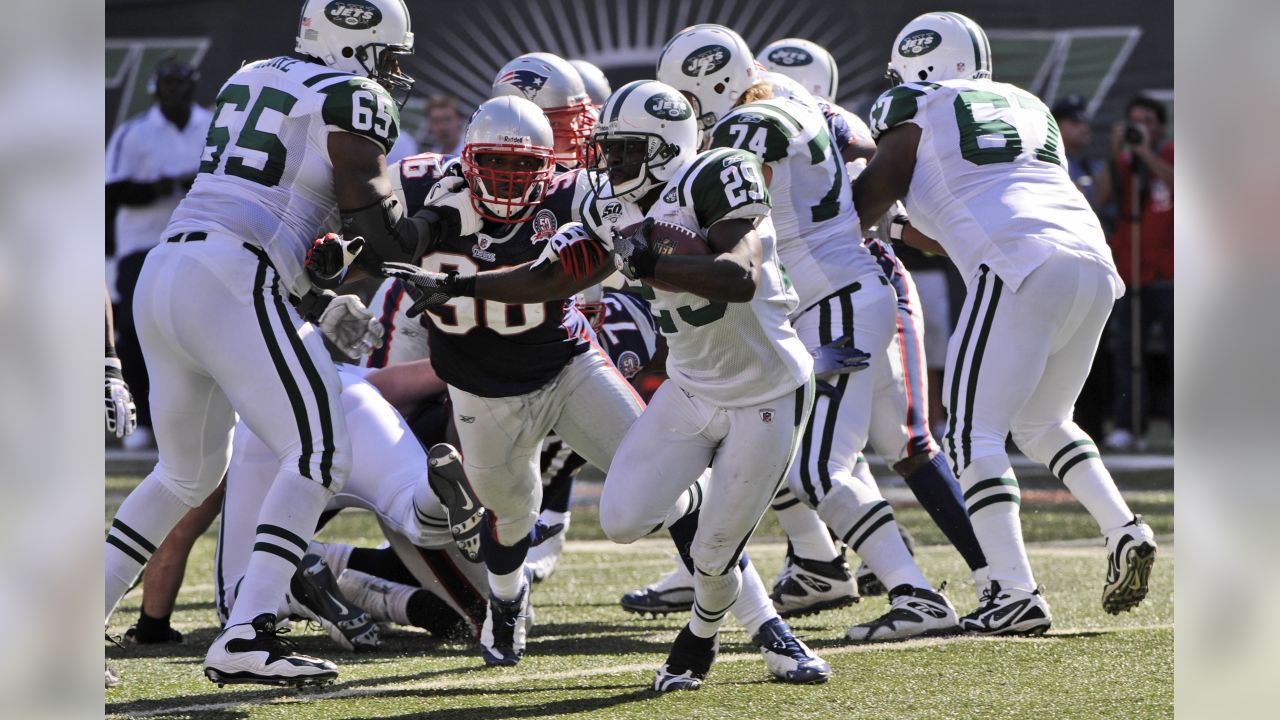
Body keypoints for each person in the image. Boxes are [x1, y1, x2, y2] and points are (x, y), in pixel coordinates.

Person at [380, 88, 832, 686]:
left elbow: (735, 277)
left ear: (663, 147)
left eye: (622, 152)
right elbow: (547, 274)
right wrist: (458, 286)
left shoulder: (708, 174)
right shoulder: (590, 203)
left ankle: (759, 626)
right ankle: (508, 598)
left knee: (706, 532)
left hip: (599, 369)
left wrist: (644, 267)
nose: (606, 164)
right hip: (502, 390)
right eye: (606, 151)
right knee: (544, 512)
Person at [103, 0, 414, 687]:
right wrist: (429, 236)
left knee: (185, 474)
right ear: (354, 45)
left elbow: (288, 202)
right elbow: (376, 217)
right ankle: (250, 631)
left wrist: (324, 276)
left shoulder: (252, 76)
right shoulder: (350, 95)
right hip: (231, 274)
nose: (392, 75)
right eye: (388, 57)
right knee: (321, 450)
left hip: (168, 269)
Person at [655, 24, 961, 642]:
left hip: (834, 294)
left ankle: (918, 590)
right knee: (801, 455)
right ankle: (853, 570)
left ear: (711, 84)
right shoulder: (790, 105)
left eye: (687, 101)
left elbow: (739, 223)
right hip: (824, 293)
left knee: (828, 462)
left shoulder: (747, 127)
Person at [856, 11, 1158, 634]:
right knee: (1043, 421)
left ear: (919, 65)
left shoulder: (913, 107)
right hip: (1089, 260)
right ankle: (1124, 528)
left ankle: (1015, 593)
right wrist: (893, 228)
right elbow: (951, 225)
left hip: (1018, 262)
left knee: (971, 434)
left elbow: (869, 198)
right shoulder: (1026, 105)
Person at [105, 58, 213, 450]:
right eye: (167, 83)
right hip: (143, 244)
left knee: (205, 327)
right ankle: (142, 420)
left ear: (192, 86)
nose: (174, 90)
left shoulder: (215, 126)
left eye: (180, 83)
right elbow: (112, 190)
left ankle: (205, 418)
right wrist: (163, 186)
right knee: (136, 328)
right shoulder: (133, 133)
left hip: (201, 242)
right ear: (155, 89)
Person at [1096, 94, 1175, 450]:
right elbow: (1100, 198)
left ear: (1159, 125)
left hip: (1171, 273)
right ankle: (1129, 424)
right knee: (1128, 353)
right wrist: (1117, 155)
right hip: (1130, 270)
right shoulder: (1123, 162)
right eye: (1134, 120)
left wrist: (1145, 152)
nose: (1140, 127)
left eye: (1146, 120)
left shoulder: (1170, 154)